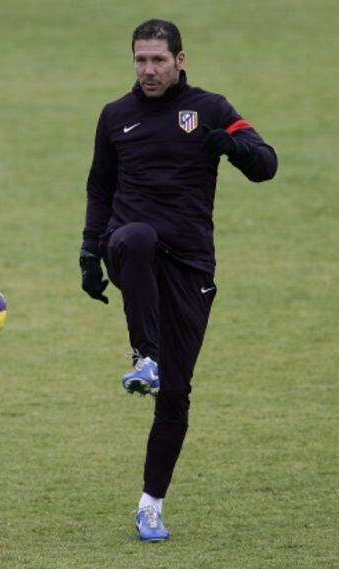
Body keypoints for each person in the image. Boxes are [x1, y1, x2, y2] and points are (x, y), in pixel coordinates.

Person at [79, 18, 277, 541]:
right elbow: (100, 189)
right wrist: (87, 255)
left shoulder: (210, 110)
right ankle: (144, 355)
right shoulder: (115, 116)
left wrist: (230, 147)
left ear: (180, 61)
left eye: (158, 61)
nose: (147, 70)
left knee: (177, 396)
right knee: (136, 237)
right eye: (140, 60)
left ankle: (150, 505)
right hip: (130, 248)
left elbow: (266, 165)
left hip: (190, 266)